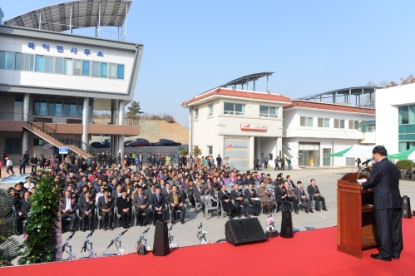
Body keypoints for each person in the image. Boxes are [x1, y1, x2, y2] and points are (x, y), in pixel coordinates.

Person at [359, 145, 402, 261]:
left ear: (377, 154)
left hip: (383, 201)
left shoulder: (378, 166)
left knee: (384, 228)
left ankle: (385, 254)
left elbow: (372, 181)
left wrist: (362, 184)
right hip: (396, 200)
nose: (374, 158)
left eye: (374, 156)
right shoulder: (393, 166)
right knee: (395, 227)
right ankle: (396, 251)